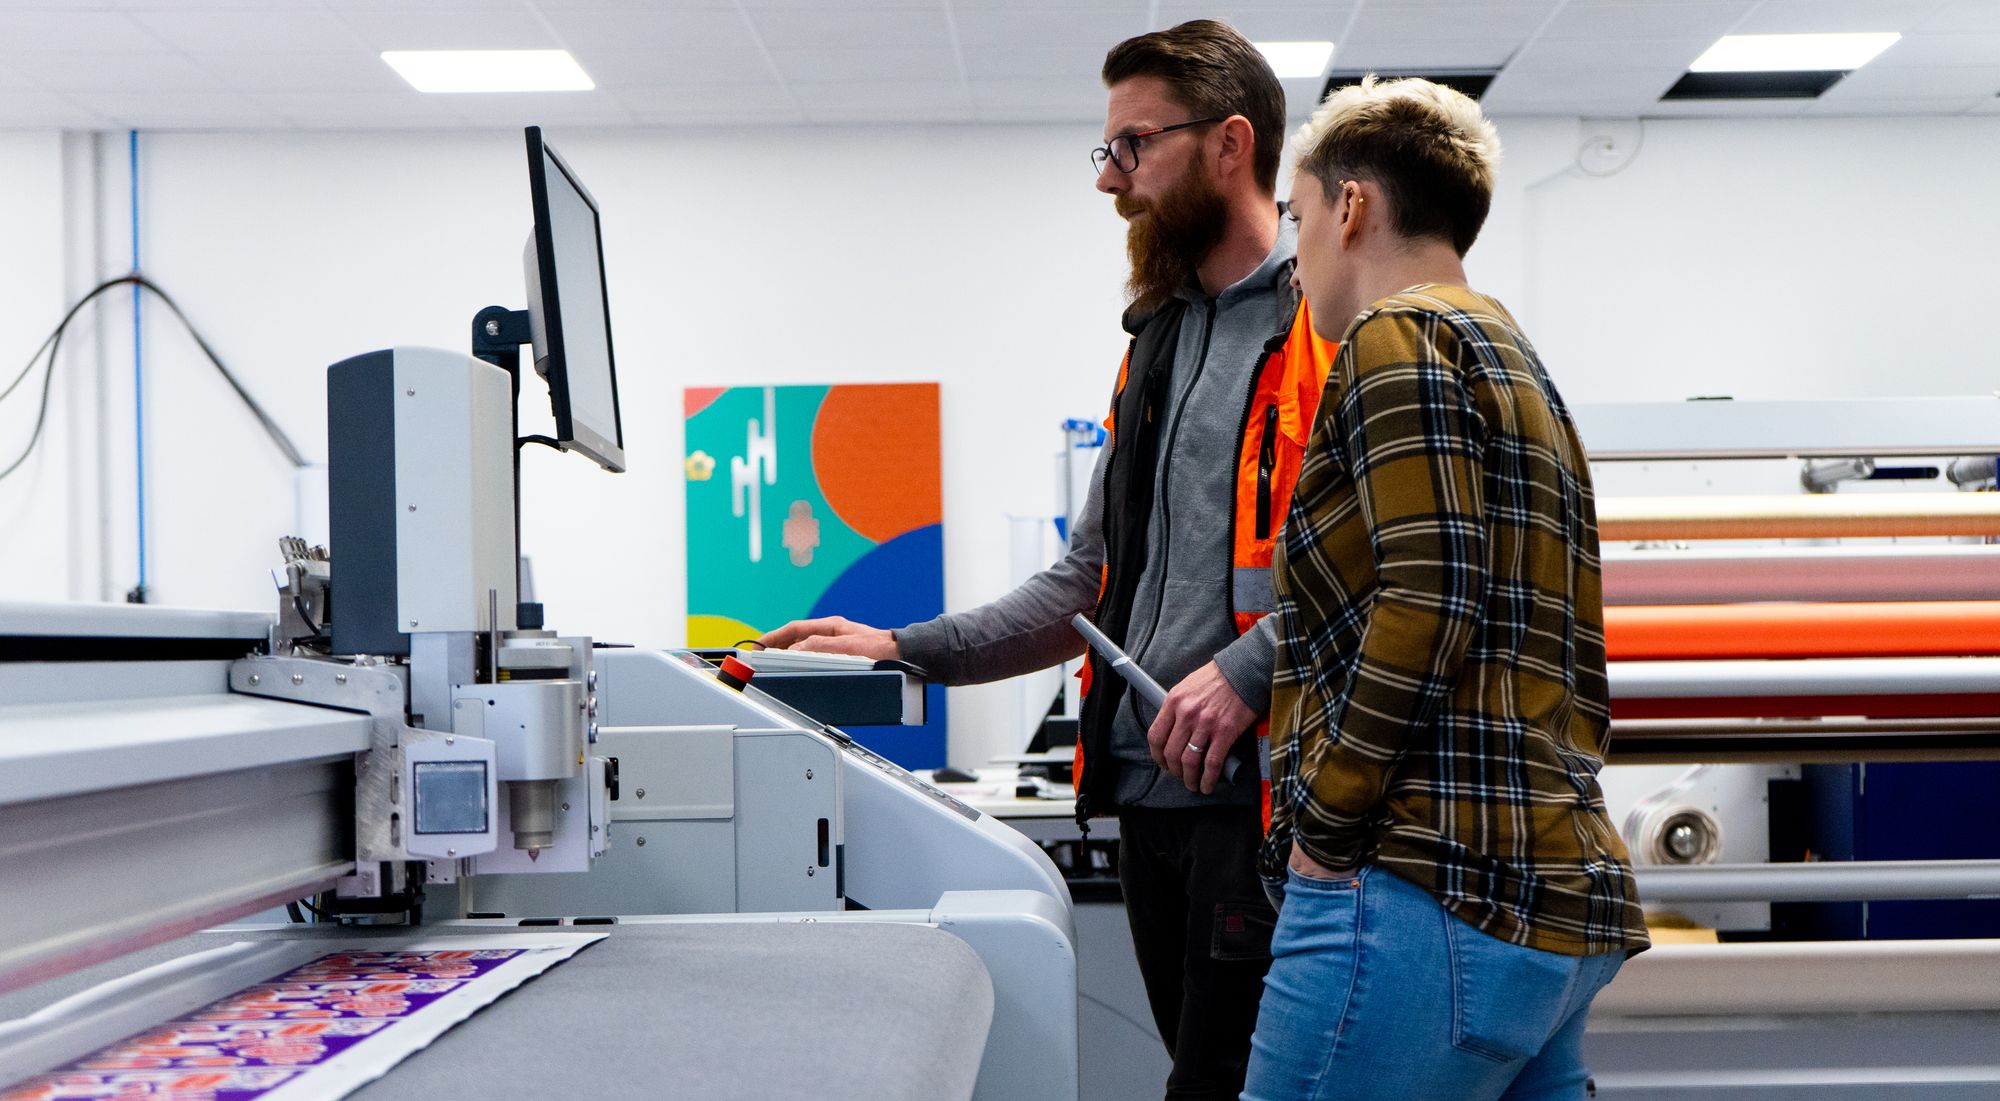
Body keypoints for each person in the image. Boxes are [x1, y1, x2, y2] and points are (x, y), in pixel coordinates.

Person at [759, 20, 1336, 1099]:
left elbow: (1378, 572)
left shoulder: (1327, 326)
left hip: (1258, 801)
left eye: (1134, 147)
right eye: (1106, 152)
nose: (1111, 182)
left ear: (1228, 145)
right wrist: (899, 646)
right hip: (1144, 793)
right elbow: (1085, 585)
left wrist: (1248, 672)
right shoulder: (1158, 337)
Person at [1242, 76, 1650, 1101]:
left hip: (1421, 891)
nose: (1293, 257)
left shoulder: (1394, 337)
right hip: (1550, 896)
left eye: (1295, 217)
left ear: (1351, 207)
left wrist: (1325, 832)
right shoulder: (1513, 360)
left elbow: (1425, 597)